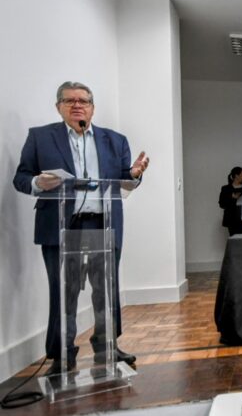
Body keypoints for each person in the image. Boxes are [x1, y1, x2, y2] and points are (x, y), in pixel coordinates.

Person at [13, 81, 149, 375]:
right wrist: (38, 183)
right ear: (58, 106)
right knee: (64, 291)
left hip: (103, 223)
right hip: (61, 226)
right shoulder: (40, 138)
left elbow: (124, 180)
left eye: (83, 101)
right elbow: (21, 177)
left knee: (106, 289)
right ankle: (62, 355)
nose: (77, 105)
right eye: (69, 100)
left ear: (92, 107)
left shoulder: (115, 140)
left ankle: (107, 346)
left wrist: (135, 175)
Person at [218, 166, 242, 236]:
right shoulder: (226, 189)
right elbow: (222, 204)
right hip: (232, 221)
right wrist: (233, 198)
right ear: (237, 176)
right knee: (235, 242)